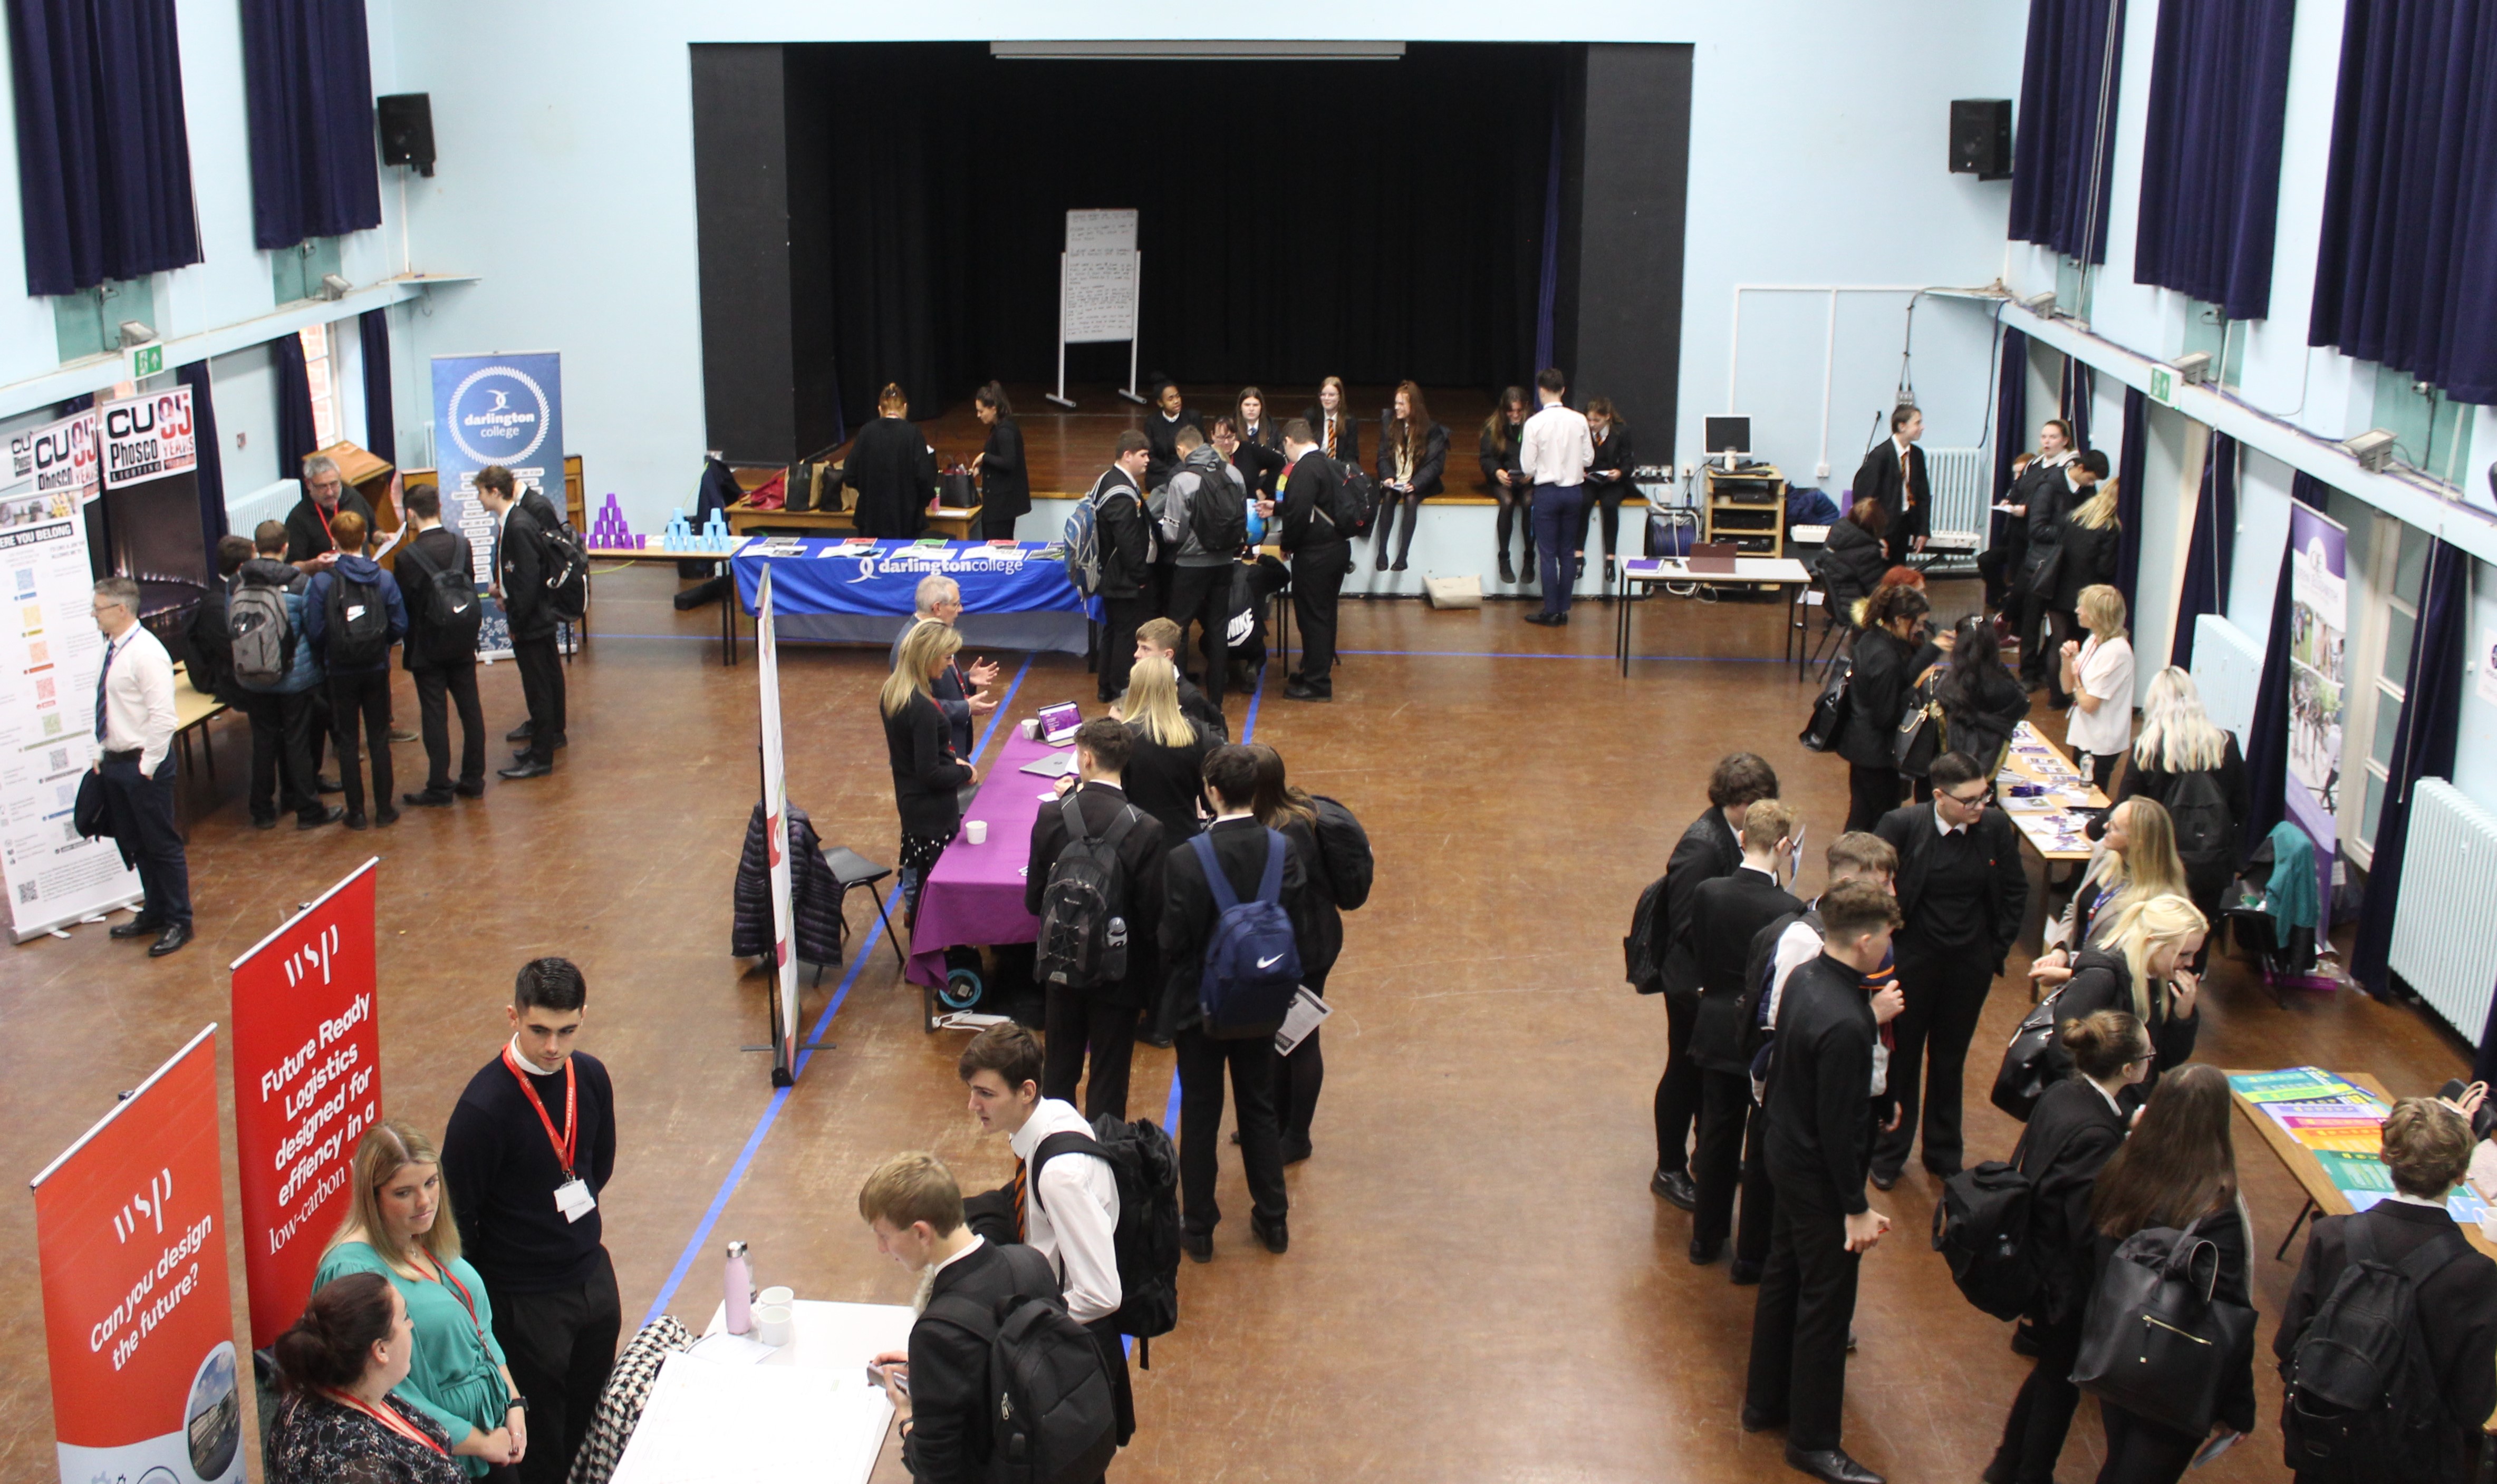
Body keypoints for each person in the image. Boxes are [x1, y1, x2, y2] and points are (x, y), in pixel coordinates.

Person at [1741, 879, 1900, 1484]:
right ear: (1864, 942)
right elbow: (1841, 1127)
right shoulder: (1849, 1023)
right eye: (1885, 936)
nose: (1888, 946)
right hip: (1817, 1175)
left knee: (1783, 1276)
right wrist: (1855, 1207)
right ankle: (1812, 1440)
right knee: (1826, 1304)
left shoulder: (1806, 980)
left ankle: (1764, 1402)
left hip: (1782, 1151)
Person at [441, 959, 619, 1484]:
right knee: (540, 1431)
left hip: (590, 1276)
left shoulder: (588, 1076)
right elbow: (456, 1216)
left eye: (567, 1031)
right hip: (525, 1298)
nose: (552, 1047)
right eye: (539, 1029)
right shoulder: (483, 1108)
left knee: (591, 1416)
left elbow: (596, 1163)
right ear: (513, 1016)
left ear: (583, 1017)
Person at [2276, 1098, 2497, 1484]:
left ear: (2384, 1155)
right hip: (2413, 1462)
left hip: (2326, 1448)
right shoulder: (2474, 1274)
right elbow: (2470, 1405)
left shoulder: (2331, 1236)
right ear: (2461, 1173)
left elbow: (2288, 1345)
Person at [859, 1152, 1101, 1484]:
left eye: (884, 1236)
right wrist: (931, 1374)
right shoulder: (1031, 1262)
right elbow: (1005, 1365)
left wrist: (906, 1416)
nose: (881, 1249)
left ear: (921, 1233)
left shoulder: (935, 1333)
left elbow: (935, 1467)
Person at [1985, 1010, 2152, 1484]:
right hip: (2065, 1282)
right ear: (2127, 1069)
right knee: (2060, 1385)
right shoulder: (2098, 1132)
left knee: (2048, 1374)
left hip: (2038, 1261)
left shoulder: (2064, 1094)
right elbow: (2086, 1224)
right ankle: (2031, 1472)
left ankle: (2005, 1464)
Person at [1736, 832, 1903, 1283]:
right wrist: (1870, 1015)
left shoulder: (1868, 935)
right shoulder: (1808, 941)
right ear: (1848, 882)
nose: (1890, 893)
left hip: (1858, 1080)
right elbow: (1789, 1026)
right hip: (1807, 1111)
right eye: (1881, 883)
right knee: (1802, 1241)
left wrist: (1886, 1092)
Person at [956, 1025, 1134, 1450]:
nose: (972, 1105)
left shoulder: (1058, 1175)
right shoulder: (1053, 1115)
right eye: (971, 1091)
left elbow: (1102, 1293)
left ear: (1026, 1090)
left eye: (985, 1093)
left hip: (1072, 1344)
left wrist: (1024, 1330)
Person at [1159, 743, 1305, 1258]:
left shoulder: (1184, 858)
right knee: (1259, 1108)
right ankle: (1273, 1218)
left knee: (1200, 1113)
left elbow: (1171, 940)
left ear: (1211, 792)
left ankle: (1198, 1229)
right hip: (1261, 1004)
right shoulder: (1282, 850)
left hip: (1201, 1006)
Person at [317, 1121, 526, 1478]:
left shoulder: (425, 1237)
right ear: (373, 1194)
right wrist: (477, 1442)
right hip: (441, 1452)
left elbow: (482, 1331)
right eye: (404, 1192)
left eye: (431, 1183)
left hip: (494, 1436)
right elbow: (388, 1392)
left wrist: (513, 1401)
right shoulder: (351, 1270)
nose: (425, 1201)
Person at [2085, 1064, 2254, 1484]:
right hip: (2178, 1369)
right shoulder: (2217, 1210)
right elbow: (2227, 1317)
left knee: (2119, 1459)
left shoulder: (2121, 1169)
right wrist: (2237, 1408)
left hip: (2117, 1345)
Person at [1871, 750, 2028, 1186]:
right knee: (1900, 1059)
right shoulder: (1900, 826)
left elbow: (2014, 890)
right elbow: (1876, 893)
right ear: (1938, 796)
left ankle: (1942, 1153)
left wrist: (1994, 948)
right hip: (1912, 963)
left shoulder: (1993, 828)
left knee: (1948, 1059)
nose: (1981, 807)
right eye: (1970, 800)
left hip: (1967, 966)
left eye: (1984, 796)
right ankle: (1888, 1153)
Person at [1647, 752, 1782, 1209]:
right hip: (1694, 984)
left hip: (1720, 979)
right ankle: (1669, 1167)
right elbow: (1686, 924)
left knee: (1711, 1073)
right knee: (1684, 1074)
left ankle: (1710, 1155)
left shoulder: (1735, 837)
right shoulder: (1702, 846)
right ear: (1740, 802)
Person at [1684, 798, 1805, 1265]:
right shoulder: (1789, 909)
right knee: (1759, 1143)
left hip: (1714, 1024)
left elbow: (1700, 952)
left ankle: (1704, 1238)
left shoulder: (1708, 892)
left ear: (1741, 839)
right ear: (1781, 844)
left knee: (1715, 1135)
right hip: (1758, 1033)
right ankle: (1751, 1250)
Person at [1027, 719, 1164, 1119]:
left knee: (1058, 1075)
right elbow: (1151, 917)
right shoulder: (1148, 829)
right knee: (1109, 1081)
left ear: (1085, 757)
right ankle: (1102, 1169)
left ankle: (1052, 1159)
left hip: (1062, 967)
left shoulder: (1052, 815)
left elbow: (1035, 900)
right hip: (1119, 976)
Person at [1247, 742, 1369, 1162]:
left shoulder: (1287, 832)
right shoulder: (1290, 810)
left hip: (1307, 947)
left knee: (1300, 1038)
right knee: (1281, 1035)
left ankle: (1297, 1135)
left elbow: (1285, 900)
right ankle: (1274, 1124)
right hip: (1303, 938)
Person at [265, 1272, 467, 1484]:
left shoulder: (352, 1385)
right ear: (381, 1350)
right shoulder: (352, 1465)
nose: (411, 1325)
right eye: (405, 1318)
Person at [90, 576, 191, 956]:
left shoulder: (146, 653)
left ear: (121, 609)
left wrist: (146, 766)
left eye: (99, 608)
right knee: (137, 844)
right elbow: (111, 705)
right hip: (118, 764)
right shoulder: (113, 649)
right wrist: (101, 752)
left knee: (161, 844)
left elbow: (164, 717)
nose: (93, 614)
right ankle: (155, 910)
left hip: (141, 767)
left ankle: (180, 919)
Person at [2116, 667, 2249, 938]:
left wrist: (2093, 829)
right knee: (2198, 932)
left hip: (2160, 862)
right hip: (2212, 862)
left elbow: (2126, 806)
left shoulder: (2147, 750)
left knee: (2158, 934)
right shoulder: (2227, 744)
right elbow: (2242, 808)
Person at [2047, 895, 2205, 1112]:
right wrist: (2121, 1114)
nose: (2190, 963)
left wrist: (2183, 1015)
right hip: (2089, 1114)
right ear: (2152, 943)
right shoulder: (2101, 978)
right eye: (2184, 954)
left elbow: (2165, 1061)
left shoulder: (2158, 981)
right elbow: (2064, 1056)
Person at [303, 510, 409, 829]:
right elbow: (399, 623)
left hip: (340, 671)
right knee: (379, 738)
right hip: (377, 667)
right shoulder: (384, 578)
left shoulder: (322, 582)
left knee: (347, 741)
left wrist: (333, 652)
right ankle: (386, 809)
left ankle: (357, 812)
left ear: (333, 540)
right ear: (364, 537)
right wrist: (380, 645)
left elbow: (316, 630)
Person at [235, 519, 341, 829]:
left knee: (264, 742)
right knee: (297, 742)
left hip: (253, 676)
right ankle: (306, 808)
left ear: (255, 547)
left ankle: (262, 810)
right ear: (285, 547)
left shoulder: (239, 584)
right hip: (294, 676)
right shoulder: (298, 583)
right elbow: (312, 626)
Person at [2030, 797, 2191, 992]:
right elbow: (2075, 907)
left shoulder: (2161, 899)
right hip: (2078, 975)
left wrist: (2068, 975)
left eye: (2115, 828)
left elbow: (2135, 970)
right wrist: (2060, 951)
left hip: (2107, 993)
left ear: (2138, 842)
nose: (2105, 826)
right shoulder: (2104, 854)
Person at [396, 487, 488, 807]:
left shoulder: (406, 557)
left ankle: (439, 785)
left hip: (427, 647)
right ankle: (474, 778)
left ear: (410, 513)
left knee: (435, 715)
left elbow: (405, 607)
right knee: (470, 709)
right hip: (462, 641)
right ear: (439, 505)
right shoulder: (462, 545)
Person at [883, 620, 977, 915]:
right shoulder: (922, 708)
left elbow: (916, 755)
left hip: (911, 805)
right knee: (934, 899)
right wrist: (965, 772)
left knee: (921, 886)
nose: (951, 665)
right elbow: (931, 773)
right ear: (929, 655)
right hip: (933, 814)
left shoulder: (893, 692)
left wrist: (950, 759)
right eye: (947, 658)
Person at [477, 468, 564, 780]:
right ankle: (539, 747)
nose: (479, 498)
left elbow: (527, 581)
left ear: (495, 492)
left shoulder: (518, 525)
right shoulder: (514, 522)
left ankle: (541, 757)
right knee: (536, 687)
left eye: (482, 492)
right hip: (530, 618)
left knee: (539, 689)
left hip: (532, 622)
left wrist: (514, 617)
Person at [1157, 425, 1247, 710]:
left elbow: (1173, 534)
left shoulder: (1182, 480)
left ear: (1183, 450)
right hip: (1224, 562)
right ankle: (1216, 699)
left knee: (1178, 630)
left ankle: (1181, 698)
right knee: (1218, 628)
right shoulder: (1233, 473)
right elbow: (1241, 518)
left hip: (1191, 565)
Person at [1837, 584, 1933, 832]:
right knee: (1880, 822)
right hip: (1877, 754)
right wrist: (1917, 689)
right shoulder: (1886, 659)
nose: (1921, 630)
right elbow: (1886, 716)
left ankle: (1847, 863)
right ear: (1901, 620)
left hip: (1861, 746)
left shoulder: (1871, 638)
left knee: (1860, 813)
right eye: (1919, 624)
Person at [1269, 420, 1350, 702]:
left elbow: (1300, 514)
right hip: (1336, 549)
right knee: (1325, 615)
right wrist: (1278, 507)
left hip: (1315, 555)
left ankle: (1317, 684)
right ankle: (1317, 672)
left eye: (1284, 447)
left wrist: (1287, 545)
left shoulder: (1304, 469)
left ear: (1290, 441)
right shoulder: (1329, 463)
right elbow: (1317, 504)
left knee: (1313, 617)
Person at [890, 575, 1000, 760]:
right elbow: (914, 705)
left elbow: (935, 685)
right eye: (956, 605)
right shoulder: (911, 647)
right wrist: (964, 707)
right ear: (938, 608)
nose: (961, 610)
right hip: (936, 755)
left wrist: (966, 679)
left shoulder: (934, 634)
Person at [2004, 420, 2077, 688]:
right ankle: (2028, 669)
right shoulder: (2035, 465)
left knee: (2051, 615)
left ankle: (2045, 669)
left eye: (2053, 437)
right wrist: (2011, 502)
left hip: (2051, 552)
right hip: (2029, 546)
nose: (2047, 442)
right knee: (2027, 610)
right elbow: (2020, 489)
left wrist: (2030, 512)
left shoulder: (2066, 470)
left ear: (2064, 441)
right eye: (2044, 436)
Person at [1085, 431, 1155, 704]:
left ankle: (1106, 685)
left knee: (1113, 630)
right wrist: (1140, 575)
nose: (1147, 460)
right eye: (1143, 455)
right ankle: (1119, 689)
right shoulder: (1121, 495)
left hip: (1110, 573)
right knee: (1126, 634)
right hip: (1122, 576)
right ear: (1128, 456)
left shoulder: (1106, 479)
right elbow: (1128, 541)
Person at [1520, 368, 1594, 625]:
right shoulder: (1580, 420)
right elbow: (1589, 459)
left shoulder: (1534, 423)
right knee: (1567, 552)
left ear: (1541, 391)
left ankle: (1551, 610)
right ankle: (1564, 609)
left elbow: (1528, 468)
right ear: (1563, 390)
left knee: (1548, 554)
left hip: (1548, 493)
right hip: (1574, 492)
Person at [2047, 456, 2120, 706]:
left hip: (2057, 588)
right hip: (2086, 595)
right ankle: (2075, 692)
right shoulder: (2109, 528)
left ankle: (2055, 697)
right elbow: (2105, 567)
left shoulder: (2075, 517)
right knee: (2079, 645)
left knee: (2058, 642)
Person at [1118, 654, 1214, 845]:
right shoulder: (1199, 733)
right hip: (1187, 841)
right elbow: (1209, 799)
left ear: (1134, 690)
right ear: (1174, 689)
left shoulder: (1123, 736)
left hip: (1138, 841)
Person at [1931, 615, 2029, 778]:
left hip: (1943, 774)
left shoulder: (1944, 685)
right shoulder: (2004, 688)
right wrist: (1995, 663)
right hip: (1985, 774)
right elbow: (2023, 703)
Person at [2061, 583, 2135, 792]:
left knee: (2091, 795)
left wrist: (2077, 679)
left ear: (2098, 615)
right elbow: (2067, 688)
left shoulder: (2117, 652)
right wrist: (2067, 662)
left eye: (2083, 607)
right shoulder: (2093, 640)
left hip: (2101, 740)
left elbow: (2088, 703)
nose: (2077, 611)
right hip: (2085, 734)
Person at [1371, 381, 1447, 574]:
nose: (1396, 407)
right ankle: (1382, 553)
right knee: (1388, 496)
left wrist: (1415, 483)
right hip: (1396, 479)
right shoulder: (1390, 423)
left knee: (1411, 499)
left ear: (1414, 406)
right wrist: (1388, 476)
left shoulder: (1432, 430)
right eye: (1396, 403)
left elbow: (1435, 465)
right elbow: (1382, 456)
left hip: (1420, 481)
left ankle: (1403, 556)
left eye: (1402, 404)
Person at [845, 383, 939, 539]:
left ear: (880, 409)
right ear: (905, 407)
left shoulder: (866, 432)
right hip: (906, 521)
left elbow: (849, 474)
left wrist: (867, 489)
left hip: (870, 519)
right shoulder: (913, 434)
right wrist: (919, 501)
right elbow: (925, 478)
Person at [1850, 404, 1929, 567]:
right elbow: (1864, 497)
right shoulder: (1880, 456)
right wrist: (1875, 535)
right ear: (1902, 426)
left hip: (1904, 524)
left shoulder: (1917, 455)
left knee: (1898, 574)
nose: (1922, 427)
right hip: (1884, 527)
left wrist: (1923, 530)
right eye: (1917, 423)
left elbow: (1923, 495)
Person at [1577, 398, 1635, 591]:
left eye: (1597, 421)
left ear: (1607, 418)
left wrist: (1619, 473)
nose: (1592, 425)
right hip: (1590, 479)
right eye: (1589, 420)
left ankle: (1610, 559)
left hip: (1612, 480)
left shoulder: (1621, 432)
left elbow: (1628, 462)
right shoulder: (1583, 432)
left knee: (1610, 505)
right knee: (1582, 502)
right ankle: (1578, 555)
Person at [1133, 617, 1226, 740]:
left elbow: (1198, 742)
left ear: (1167, 655)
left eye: (1146, 649)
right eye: (1138, 647)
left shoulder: (1189, 697)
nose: (1136, 654)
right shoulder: (1136, 684)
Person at [1478, 386, 1534, 584]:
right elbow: (1486, 458)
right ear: (1504, 410)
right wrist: (1497, 472)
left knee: (1529, 503)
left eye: (1519, 411)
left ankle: (1529, 558)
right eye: (1511, 411)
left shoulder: (1533, 425)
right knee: (1508, 502)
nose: (1516, 415)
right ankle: (1504, 557)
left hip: (1527, 477)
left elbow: (1544, 454)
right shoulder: (1493, 427)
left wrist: (1533, 472)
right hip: (1503, 477)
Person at [188, 534, 251, 706]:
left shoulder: (230, 594)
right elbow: (231, 650)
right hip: (226, 678)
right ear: (242, 567)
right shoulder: (215, 606)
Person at [285, 452, 378, 569]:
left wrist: (382, 537)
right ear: (309, 484)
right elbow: (293, 566)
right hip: (328, 582)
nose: (330, 492)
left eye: (334, 484)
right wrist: (315, 565)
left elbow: (372, 530)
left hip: (363, 571)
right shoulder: (298, 518)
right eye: (323, 487)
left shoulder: (353, 497)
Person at [1815, 500, 1891, 624]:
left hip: (1835, 603)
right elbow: (1878, 591)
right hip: (1856, 609)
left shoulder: (1838, 531)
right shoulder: (1868, 552)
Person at [970, 382, 1027, 541]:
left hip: (1001, 507)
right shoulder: (1000, 429)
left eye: (981, 411)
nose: (979, 415)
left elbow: (1008, 462)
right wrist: (981, 470)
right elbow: (999, 458)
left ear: (994, 408)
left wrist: (984, 457)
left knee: (996, 547)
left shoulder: (1005, 432)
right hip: (1000, 505)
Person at [1211, 414, 1286, 506]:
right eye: (1221, 438)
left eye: (1230, 437)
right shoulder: (1207, 455)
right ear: (1213, 436)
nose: (1226, 442)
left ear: (1235, 434)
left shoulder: (1250, 450)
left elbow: (1279, 461)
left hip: (1248, 509)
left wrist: (1265, 490)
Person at [1142, 380, 1202, 492]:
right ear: (1160, 403)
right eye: (1171, 399)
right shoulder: (1152, 422)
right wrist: (1172, 472)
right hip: (1164, 473)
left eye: (1178, 396)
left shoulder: (1193, 418)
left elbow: (1202, 447)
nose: (1176, 401)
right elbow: (1150, 456)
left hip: (1190, 470)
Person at [1303, 376, 1360, 468]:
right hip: (1315, 467)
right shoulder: (1311, 416)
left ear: (1340, 397)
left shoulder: (1349, 421)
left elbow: (1351, 455)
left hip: (1338, 468)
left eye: (1331, 395)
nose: (1327, 398)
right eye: (1323, 395)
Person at [1233, 386, 1282, 455]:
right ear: (1240, 407)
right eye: (1247, 405)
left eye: (1256, 405)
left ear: (1261, 407)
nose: (1251, 409)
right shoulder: (1231, 429)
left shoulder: (1272, 430)